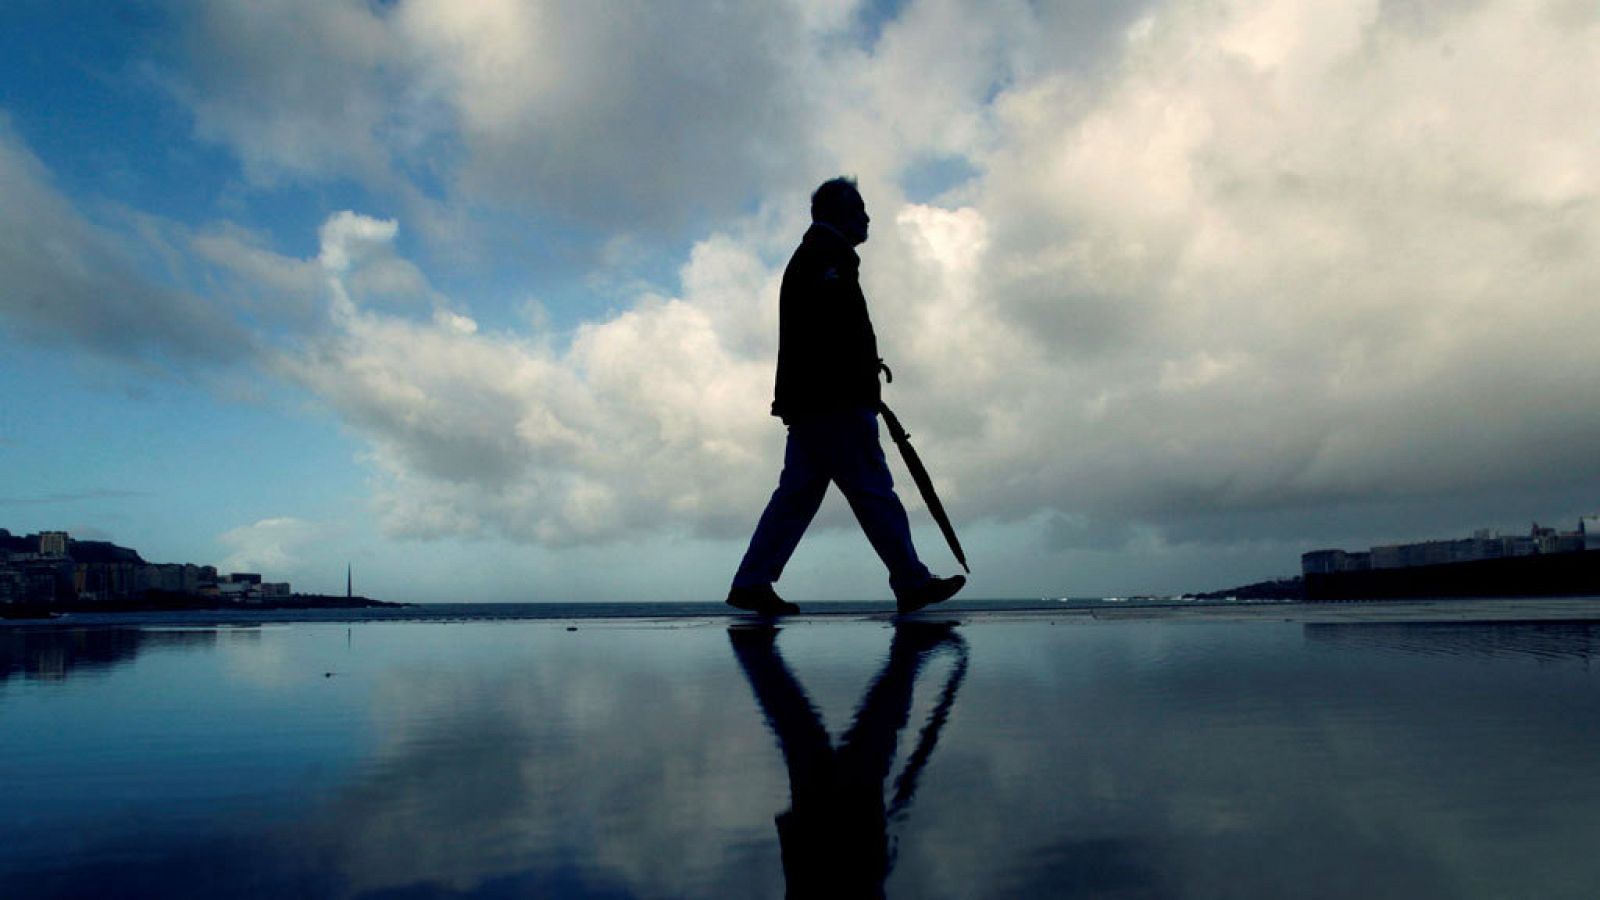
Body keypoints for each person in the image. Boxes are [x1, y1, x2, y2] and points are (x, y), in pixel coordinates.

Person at [727, 177, 966, 616]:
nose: (867, 217)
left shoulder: (817, 256)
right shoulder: (825, 258)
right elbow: (834, 336)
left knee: (797, 496)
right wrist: (860, 386)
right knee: (874, 491)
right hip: (833, 402)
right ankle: (911, 582)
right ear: (839, 212)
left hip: (814, 403)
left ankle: (752, 581)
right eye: (860, 208)